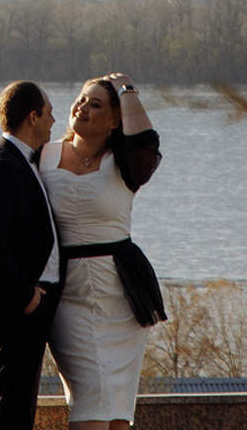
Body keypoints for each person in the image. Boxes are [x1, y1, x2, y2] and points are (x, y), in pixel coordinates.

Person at [40, 72, 165, 430]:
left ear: (114, 121)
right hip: (69, 295)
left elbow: (145, 141)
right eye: (80, 99)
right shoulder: (43, 157)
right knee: (90, 393)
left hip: (121, 298)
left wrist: (127, 90)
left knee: (117, 411)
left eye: (96, 104)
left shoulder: (126, 163)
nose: (82, 107)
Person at [0, 79, 62, 430]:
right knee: (11, 409)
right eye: (49, 113)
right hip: (14, 306)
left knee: (18, 406)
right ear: (32, 117)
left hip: (22, 302)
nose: (54, 121)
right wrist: (25, 296)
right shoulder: (3, 163)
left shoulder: (22, 161)